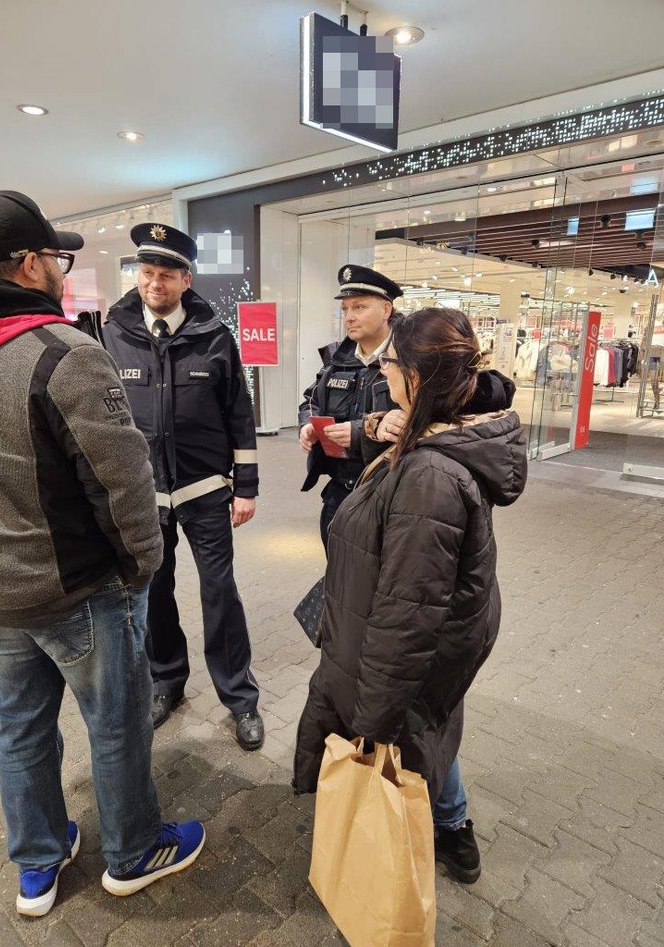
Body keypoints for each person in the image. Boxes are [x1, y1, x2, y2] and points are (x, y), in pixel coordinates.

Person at [0, 190, 205, 918]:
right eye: (58, 258)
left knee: (20, 724)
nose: (64, 271)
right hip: (74, 587)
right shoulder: (63, 353)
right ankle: (133, 851)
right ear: (31, 264)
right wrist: (142, 567)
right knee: (117, 721)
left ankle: (37, 863)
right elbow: (124, 484)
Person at [293, 307, 527, 886]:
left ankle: (413, 858)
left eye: (392, 364)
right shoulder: (435, 434)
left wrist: (373, 723)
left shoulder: (430, 479)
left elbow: (408, 619)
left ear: (416, 378)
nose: (384, 373)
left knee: (410, 743)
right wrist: (377, 426)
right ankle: (451, 828)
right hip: (395, 648)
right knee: (429, 731)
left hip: (391, 657)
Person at [103, 223, 263, 748]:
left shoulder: (215, 336)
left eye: (165, 275)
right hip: (145, 497)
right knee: (156, 593)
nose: (154, 283)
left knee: (220, 592)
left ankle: (240, 697)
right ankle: (166, 682)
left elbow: (240, 414)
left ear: (185, 279)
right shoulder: (114, 335)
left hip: (206, 492)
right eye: (146, 273)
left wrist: (247, 486)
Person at [298, 264, 402, 551]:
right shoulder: (337, 359)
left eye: (359, 307)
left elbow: (424, 419)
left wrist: (361, 432)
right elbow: (310, 400)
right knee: (338, 582)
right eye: (345, 309)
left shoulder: (409, 360)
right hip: (339, 495)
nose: (349, 317)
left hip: (388, 499)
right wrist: (308, 424)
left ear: (386, 309)